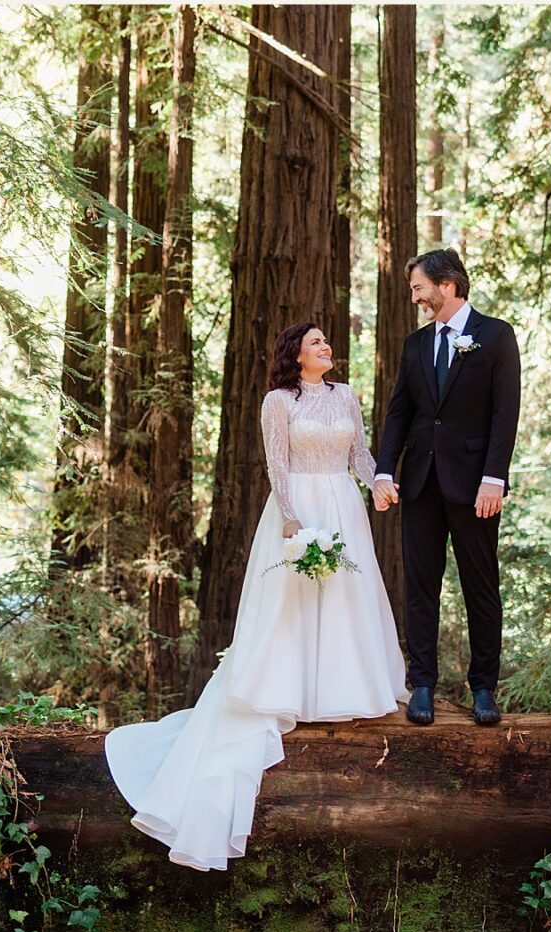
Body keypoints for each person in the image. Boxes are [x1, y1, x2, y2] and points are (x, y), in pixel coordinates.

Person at [104, 323, 409, 871]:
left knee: (346, 600)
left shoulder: (346, 396)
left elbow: (361, 453)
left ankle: (342, 690)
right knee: (291, 608)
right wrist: (293, 521)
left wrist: (378, 483)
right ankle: (292, 691)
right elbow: (277, 464)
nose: (326, 348)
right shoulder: (276, 401)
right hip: (299, 509)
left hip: (343, 505)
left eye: (326, 342)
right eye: (317, 342)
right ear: (295, 354)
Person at [372, 248, 522, 728]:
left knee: (480, 585)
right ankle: (422, 685)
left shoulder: (496, 336)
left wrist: (493, 479)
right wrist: (383, 470)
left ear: (448, 285)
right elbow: (400, 412)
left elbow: (505, 413)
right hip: (419, 484)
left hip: (476, 487)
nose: (414, 297)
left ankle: (483, 688)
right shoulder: (415, 345)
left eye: (419, 288)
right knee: (420, 586)